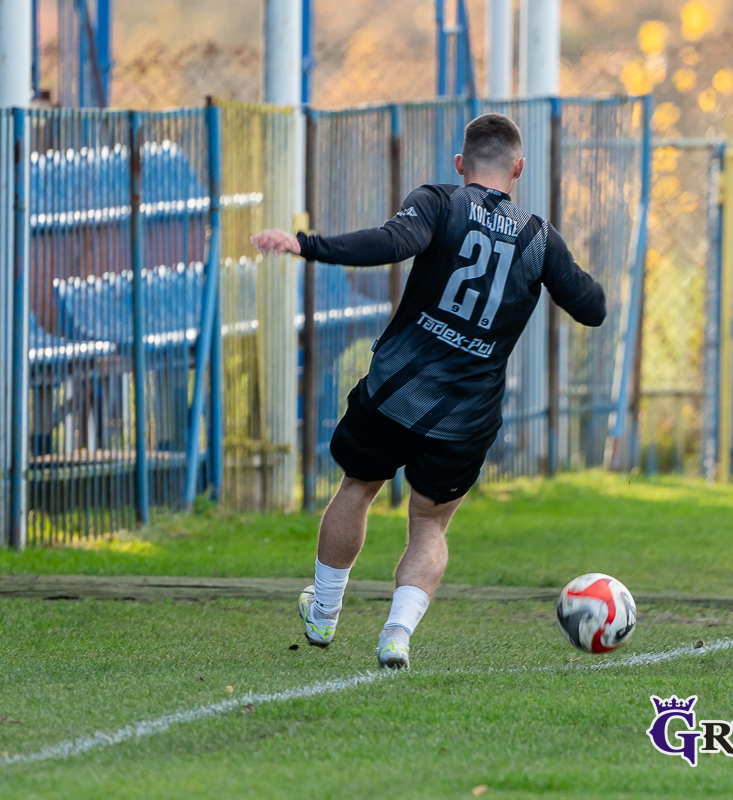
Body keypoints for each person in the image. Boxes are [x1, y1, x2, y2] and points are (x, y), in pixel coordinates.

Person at [252, 113, 605, 669]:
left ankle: (323, 613)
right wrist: (558, 267)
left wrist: (306, 245)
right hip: (466, 415)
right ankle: (396, 635)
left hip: (396, 390)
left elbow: (392, 242)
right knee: (430, 522)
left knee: (357, 487)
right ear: (518, 169)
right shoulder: (540, 238)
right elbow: (592, 308)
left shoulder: (441, 202)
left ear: (462, 164)